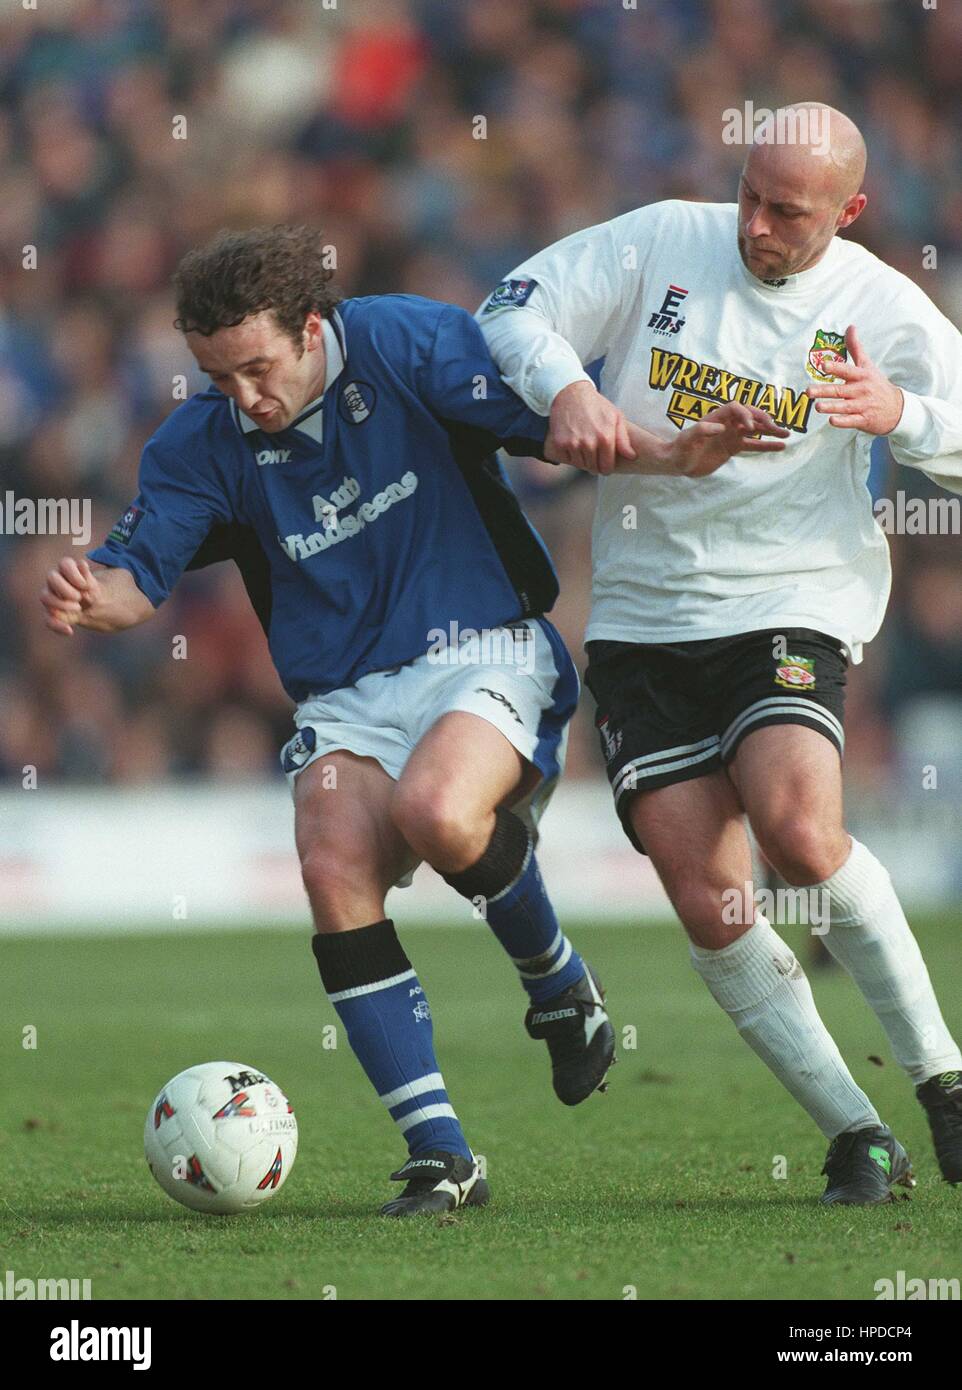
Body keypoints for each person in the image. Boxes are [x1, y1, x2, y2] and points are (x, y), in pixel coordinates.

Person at [40, 225, 785, 1217]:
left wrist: (667, 453)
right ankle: (441, 1156)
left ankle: (557, 979)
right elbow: (139, 579)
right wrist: (97, 598)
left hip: (482, 646)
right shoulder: (200, 443)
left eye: (257, 368)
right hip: (345, 694)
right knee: (328, 862)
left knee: (439, 810)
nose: (243, 397)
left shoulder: (405, 344)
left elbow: (556, 428)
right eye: (218, 378)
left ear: (312, 328)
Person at [478, 103, 962, 1205]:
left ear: (846, 212)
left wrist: (902, 414)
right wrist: (566, 386)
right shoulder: (662, 239)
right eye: (746, 194)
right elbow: (509, 305)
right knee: (710, 901)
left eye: (784, 212)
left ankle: (941, 1079)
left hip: (788, 602)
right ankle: (853, 1132)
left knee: (798, 828)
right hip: (642, 622)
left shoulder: (878, 305)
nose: (752, 225)